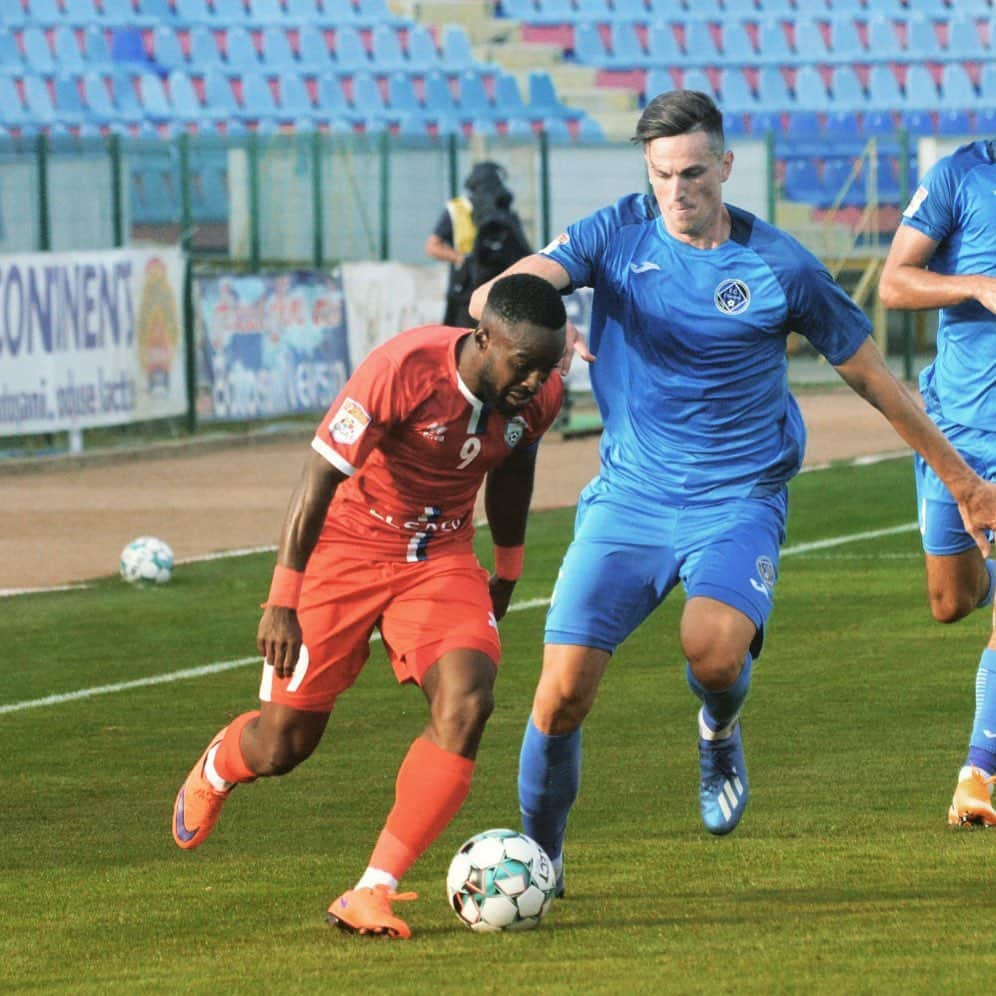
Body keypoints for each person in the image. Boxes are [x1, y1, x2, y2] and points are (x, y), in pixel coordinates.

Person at [468, 90, 996, 892]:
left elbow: (876, 382)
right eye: (661, 175)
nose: (676, 192)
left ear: (725, 165)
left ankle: (718, 726)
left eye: (692, 173)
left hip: (738, 499)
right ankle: (541, 861)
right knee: (562, 693)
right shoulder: (615, 231)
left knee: (713, 655)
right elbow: (492, 297)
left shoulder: (780, 265)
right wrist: (536, 322)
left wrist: (960, 479)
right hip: (630, 499)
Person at [171, 273, 567, 940]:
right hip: (346, 552)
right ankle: (220, 765)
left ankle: (371, 889)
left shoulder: (540, 397)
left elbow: (514, 471)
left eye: (546, 367)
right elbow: (320, 474)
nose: (535, 382)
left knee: (468, 700)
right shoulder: (401, 369)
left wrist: (507, 568)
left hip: (439, 557)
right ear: (483, 340)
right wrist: (282, 600)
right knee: (283, 745)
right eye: (524, 366)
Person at [878, 140, 996, 827]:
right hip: (955, 435)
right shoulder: (961, 174)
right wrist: (975, 285)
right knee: (951, 602)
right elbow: (894, 283)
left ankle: (978, 775)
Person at [425, 161, 531, 328]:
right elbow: (432, 246)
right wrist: (461, 258)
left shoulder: (503, 211)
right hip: (467, 286)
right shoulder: (458, 209)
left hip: (497, 287)